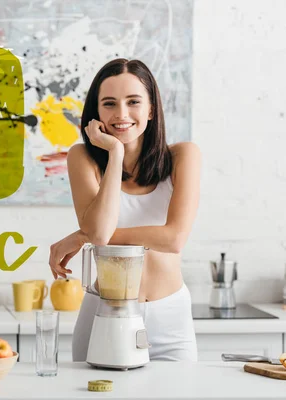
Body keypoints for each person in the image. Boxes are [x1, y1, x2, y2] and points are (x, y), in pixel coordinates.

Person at [48, 58, 201, 362]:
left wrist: (82, 237)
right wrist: (115, 152)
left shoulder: (184, 156)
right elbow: (100, 232)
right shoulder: (83, 158)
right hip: (105, 312)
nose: (121, 114)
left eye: (133, 102)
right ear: (96, 113)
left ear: (151, 109)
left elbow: (173, 240)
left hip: (170, 316)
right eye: (109, 104)